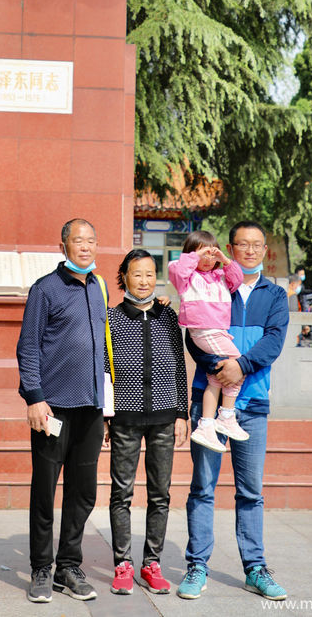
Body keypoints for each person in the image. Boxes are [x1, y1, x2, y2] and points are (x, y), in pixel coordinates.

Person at [177, 220, 289, 603]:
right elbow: (193, 334)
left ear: (265, 250)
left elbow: (274, 341)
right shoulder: (212, 282)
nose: (251, 250)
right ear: (230, 248)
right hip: (208, 402)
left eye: (257, 244)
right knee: (202, 488)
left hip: (252, 403)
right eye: (243, 244)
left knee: (250, 492)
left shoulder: (275, 295)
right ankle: (197, 566)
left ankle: (255, 569)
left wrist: (240, 367)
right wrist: (216, 365)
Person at [16, 218, 107, 603]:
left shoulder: (100, 287)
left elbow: (104, 347)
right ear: (63, 247)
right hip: (52, 409)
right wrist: (34, 397)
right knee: (45, 491)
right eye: (78, 241)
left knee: (83, 493)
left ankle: (68, 567)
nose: (85, 247)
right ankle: (41, 567)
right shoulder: (46, 289)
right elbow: (28, 346)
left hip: (91, 408)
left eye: (91, 241)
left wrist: (107, 407)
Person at [105, 248, 188, 596]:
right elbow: (104, 369)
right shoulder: (110, 318)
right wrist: (105, 416)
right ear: (124, 277)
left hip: (164, 417)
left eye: (150, 274)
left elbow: (179, 365)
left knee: (160, 494)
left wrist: (182, 412)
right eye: (137, 274)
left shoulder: (168, 317)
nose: (144, 281)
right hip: (124, 418)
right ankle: (122, 564)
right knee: (121, 491)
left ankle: (151, 563)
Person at [168, 231, 247, 452]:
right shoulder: (187, 278)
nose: (207, 259)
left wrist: (225, 259)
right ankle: (226, 415)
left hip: (218, 332)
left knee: (216, 377)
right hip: (204, 332)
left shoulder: (220, 276)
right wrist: (196, 256)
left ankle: (207, 424)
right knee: (238, 365)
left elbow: (237, 279)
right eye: (202, 254)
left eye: (211, 254)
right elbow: (177, 270)